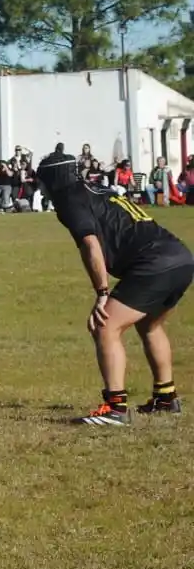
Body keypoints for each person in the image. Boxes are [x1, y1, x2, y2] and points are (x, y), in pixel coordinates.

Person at [36, 152, 194, 425]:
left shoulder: (69, 200)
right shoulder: (96, 188)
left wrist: (102, 293)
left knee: (105, 327)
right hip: (180, 257)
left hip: (153, 262)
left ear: (53, 180)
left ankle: (115, 409)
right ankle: (166, 398)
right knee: (150, 325)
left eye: (42, 181)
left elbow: (90, 244)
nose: (41, 188)